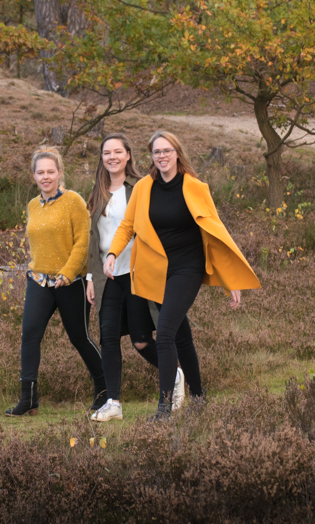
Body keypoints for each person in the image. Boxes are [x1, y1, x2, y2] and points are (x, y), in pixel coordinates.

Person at [105, 130, 261, 421]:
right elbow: (128, 226)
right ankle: (199, 397)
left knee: (163, 333)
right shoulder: (143, 188)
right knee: (181, 335)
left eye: (167, 151)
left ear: (177, 153)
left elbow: (216, 233)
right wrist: (112, 254)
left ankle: (164, 409)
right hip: (157, 269)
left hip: (187, 268)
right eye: (156, 152)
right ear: (151, 157)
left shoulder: (195, 187)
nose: (162, 156)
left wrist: (230, 281)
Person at [85, 134, 186, 422]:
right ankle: (113, 402)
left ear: (129, 155)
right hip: (108, 277)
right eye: (107, 153)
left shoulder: (142, 187)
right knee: (108, 338)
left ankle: (174, 373)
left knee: (142, 341)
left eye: (118, 152)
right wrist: (91, 276)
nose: (112, 157)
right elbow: (94, 240)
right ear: (102, 158)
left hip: (137, 272)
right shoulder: (96, 193)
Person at [6, 147, 106, 417]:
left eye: (51, 171)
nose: (46, 177)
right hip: (38, 281)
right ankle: (29, 399)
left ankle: (105, 391)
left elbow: (83, 241)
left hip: (69, 282)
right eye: (41, 172)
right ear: (33, 176)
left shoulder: (73, 201)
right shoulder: (32, 205)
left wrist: (68, 272)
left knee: (80, 337)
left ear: (60, 173)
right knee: (30, 335)